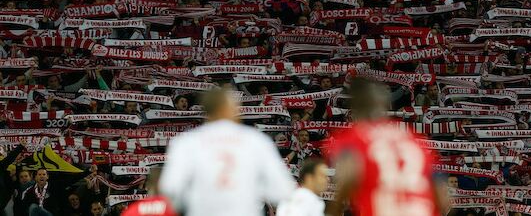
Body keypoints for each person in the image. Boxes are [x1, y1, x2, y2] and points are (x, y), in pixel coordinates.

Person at [159, 88, 296, 216]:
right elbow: (282, 189)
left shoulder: (185, 142)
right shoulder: (255, 140)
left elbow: (171, 189)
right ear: (228, 109)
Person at [326, 78, 443, 216]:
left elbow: (347, 179)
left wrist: (333, 210)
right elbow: (437, 187)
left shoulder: (356, 138)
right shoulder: (406, 137)